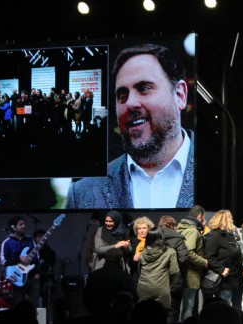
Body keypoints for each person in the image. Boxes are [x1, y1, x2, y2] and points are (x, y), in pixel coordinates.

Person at [66, 43, 194, 209]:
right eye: (122, 95)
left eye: (144, 89)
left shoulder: (220, 171)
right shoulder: (83, 193)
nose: (130, 103)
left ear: (180, 95)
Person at [202, 210, 243, 306]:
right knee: (225, 307)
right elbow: (209, 256)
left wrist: (242, 268)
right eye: (230, 218)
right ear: (225, 220)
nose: (232, 220)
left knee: (235, 307)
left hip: (234, 278)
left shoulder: (229, 236)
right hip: (223, 280)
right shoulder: (214, 236)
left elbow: (235, 255)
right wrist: (221, 269)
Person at [137, 226, 180, 320]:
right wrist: (169, 284)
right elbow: (174, 271)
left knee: (143, 318)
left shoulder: (143, 252)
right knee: (161, 319)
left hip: (143, 289)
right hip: (161, 289)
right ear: (161, 237)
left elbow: (139, 270)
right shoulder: (170, 252)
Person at [83, 247, 138, 317]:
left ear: (105, 259)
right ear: (121, 260)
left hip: (96, 318)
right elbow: (135, 298)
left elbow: (85, 297)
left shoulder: (93, 275)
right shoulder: (125, 277)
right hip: (117, 319)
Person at [177, 205, 208, 321]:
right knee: (188, 307)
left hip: (186, 272)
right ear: (200, 216)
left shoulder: (182, 228)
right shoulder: (192, 230)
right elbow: (189, 252)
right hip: (191, 273)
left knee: (189, 307)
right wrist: (203, 261)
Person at [0, 216, 40, 306]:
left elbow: (37, 257)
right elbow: (4, 262)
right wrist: (19, 258)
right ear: (13, 227)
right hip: (17, 277)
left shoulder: (30, 240)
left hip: (32, 277)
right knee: (19, 305)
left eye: (24, 224)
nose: (24, 226)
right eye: (20, 224)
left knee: (35, 306)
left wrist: (35, 268)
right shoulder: (7, 242)